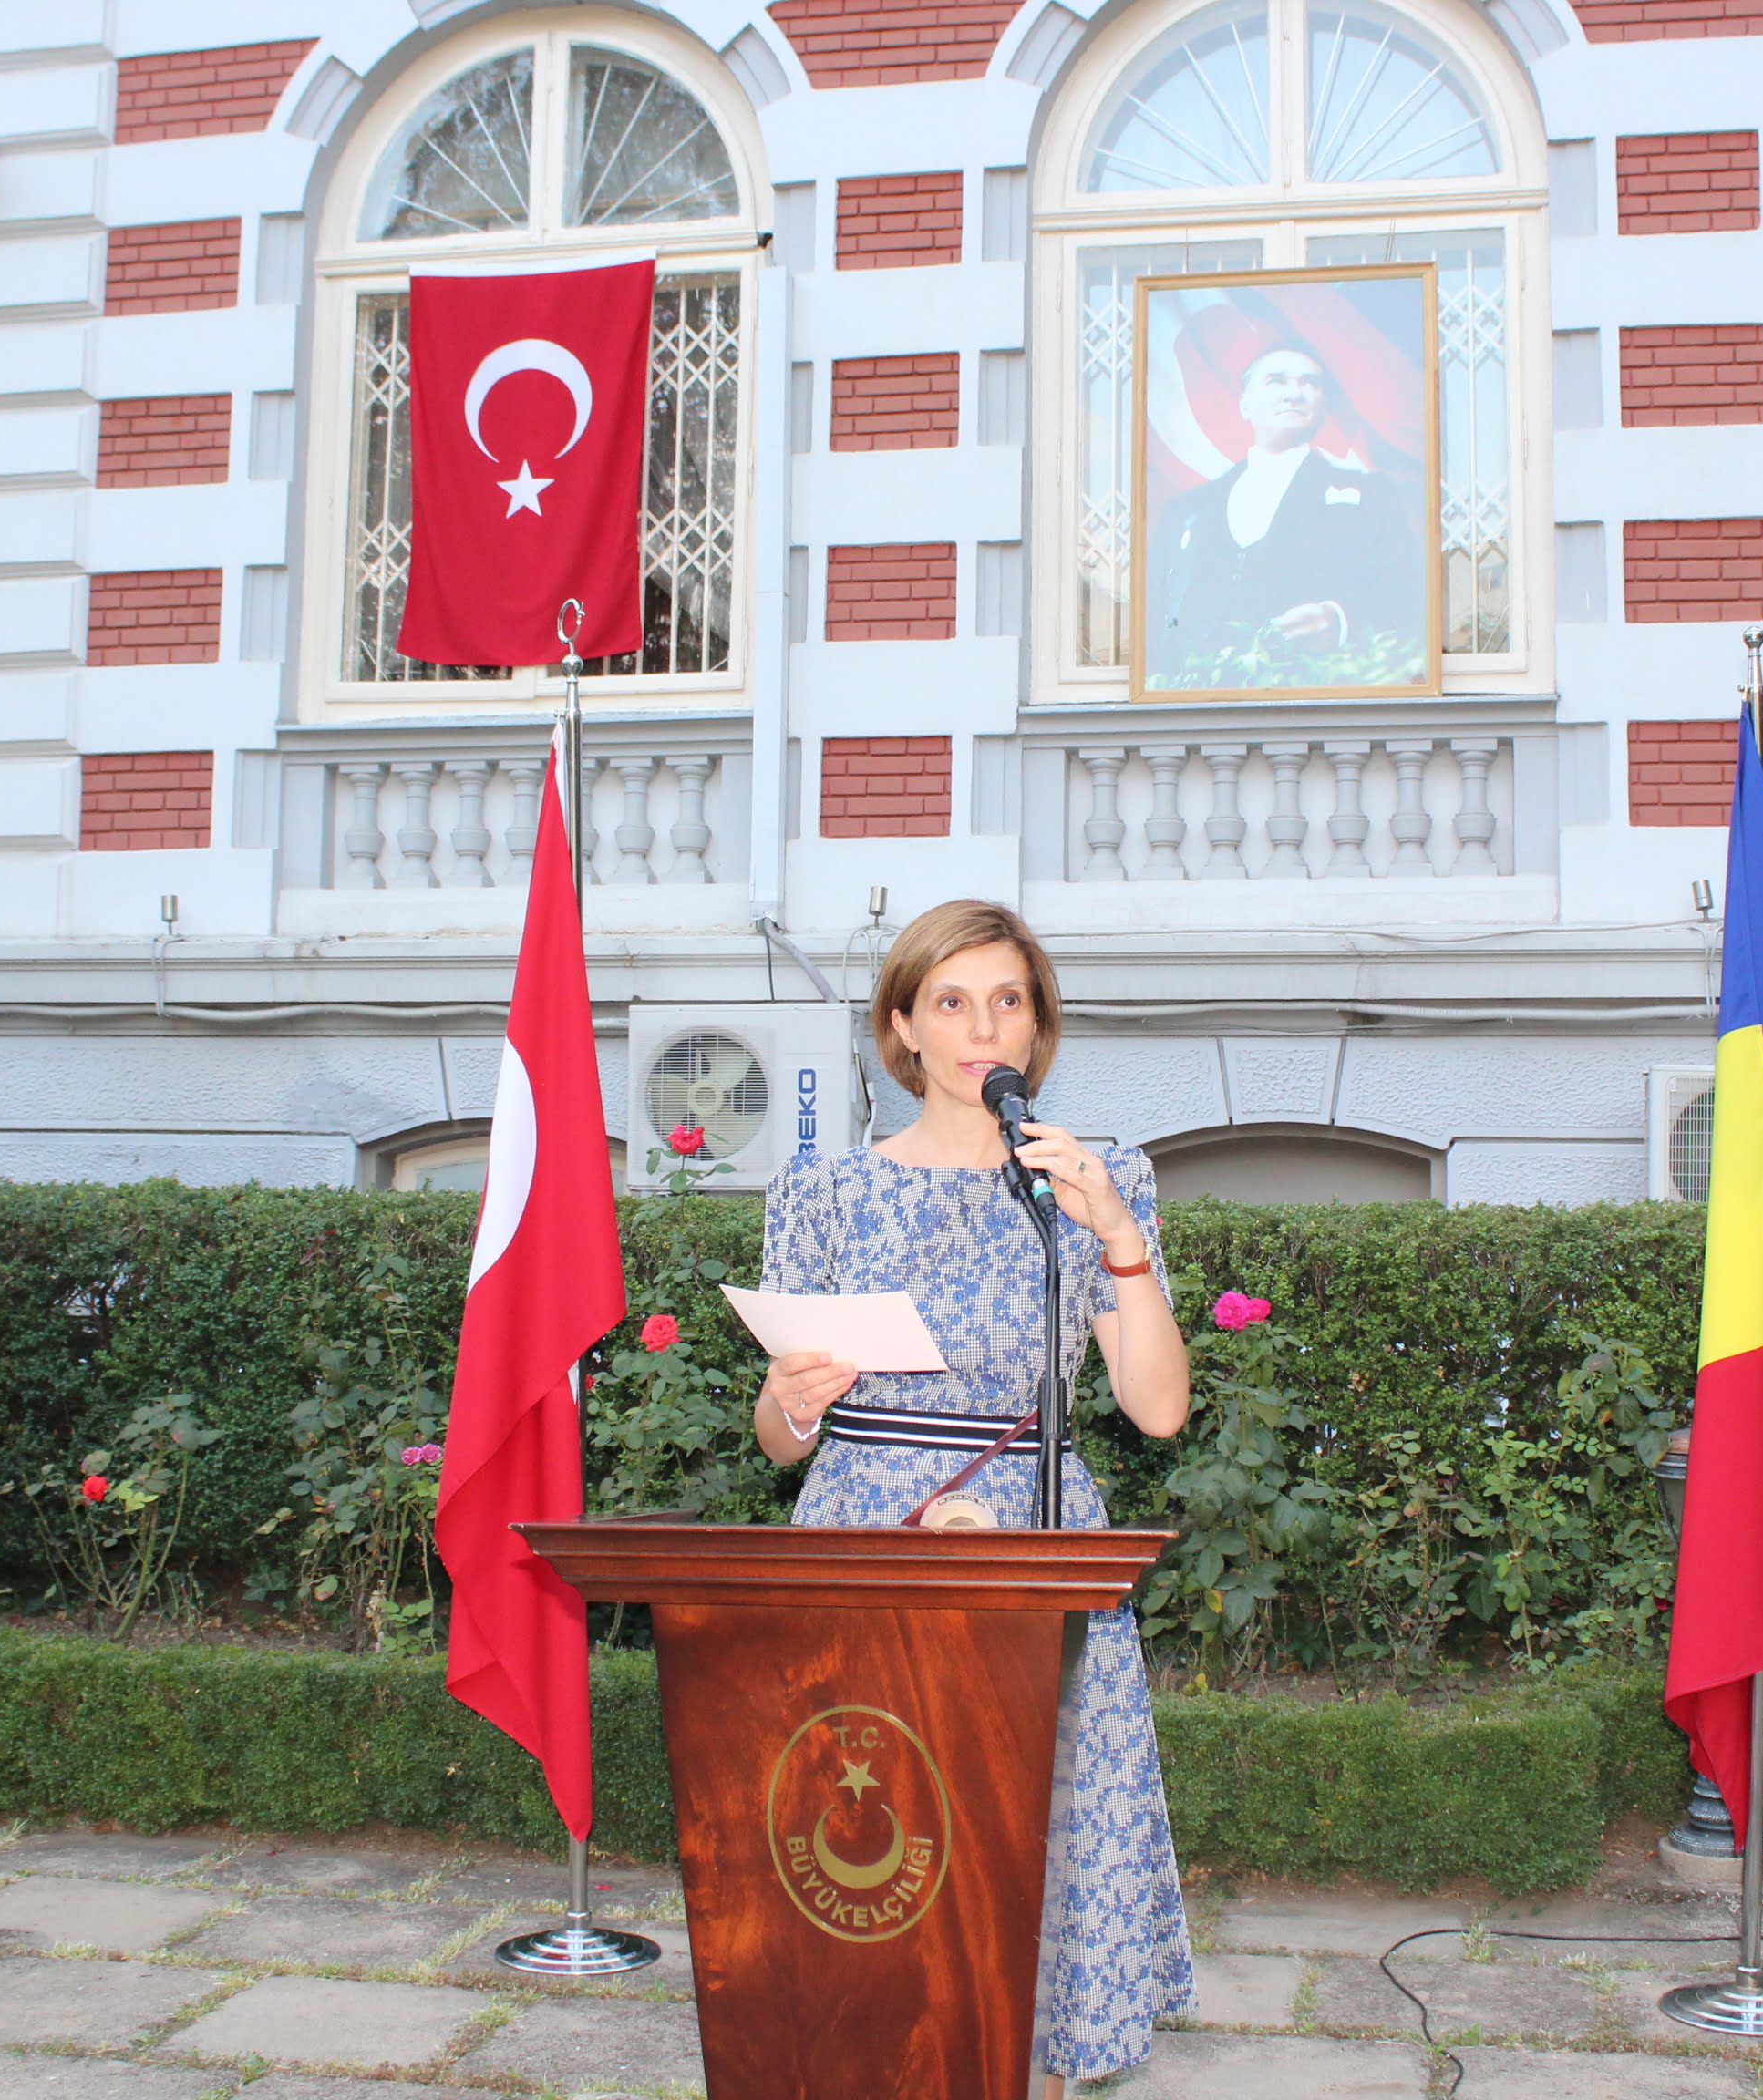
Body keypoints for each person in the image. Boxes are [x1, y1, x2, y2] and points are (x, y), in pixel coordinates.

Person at [752, 899, 1195, 2095]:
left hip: (1037, 1538)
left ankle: (1036, 2064)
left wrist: (1116, 1236)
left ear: (1038, 1027)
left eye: (1008, 1001)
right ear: (902, 1026)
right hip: (861, 1528)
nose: (983, 1029)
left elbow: (1158, 1410)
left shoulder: (1098, 1183)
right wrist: (792, 1398)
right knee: (873, 1819)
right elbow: (779, 1440)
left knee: (1029, 1826)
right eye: (950, 1002)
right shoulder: (825, 1192)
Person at [1143, 343, 1427, 686]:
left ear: (1322, 405)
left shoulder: (1370, 496)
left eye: (1310, 383)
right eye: (1276, 381)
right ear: (1245, 405)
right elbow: (1156, 615)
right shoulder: (1188, 510)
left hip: (1315, 696)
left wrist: (1340, 621)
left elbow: (1405, 594)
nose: (1294, 394)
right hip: (1201, 703)